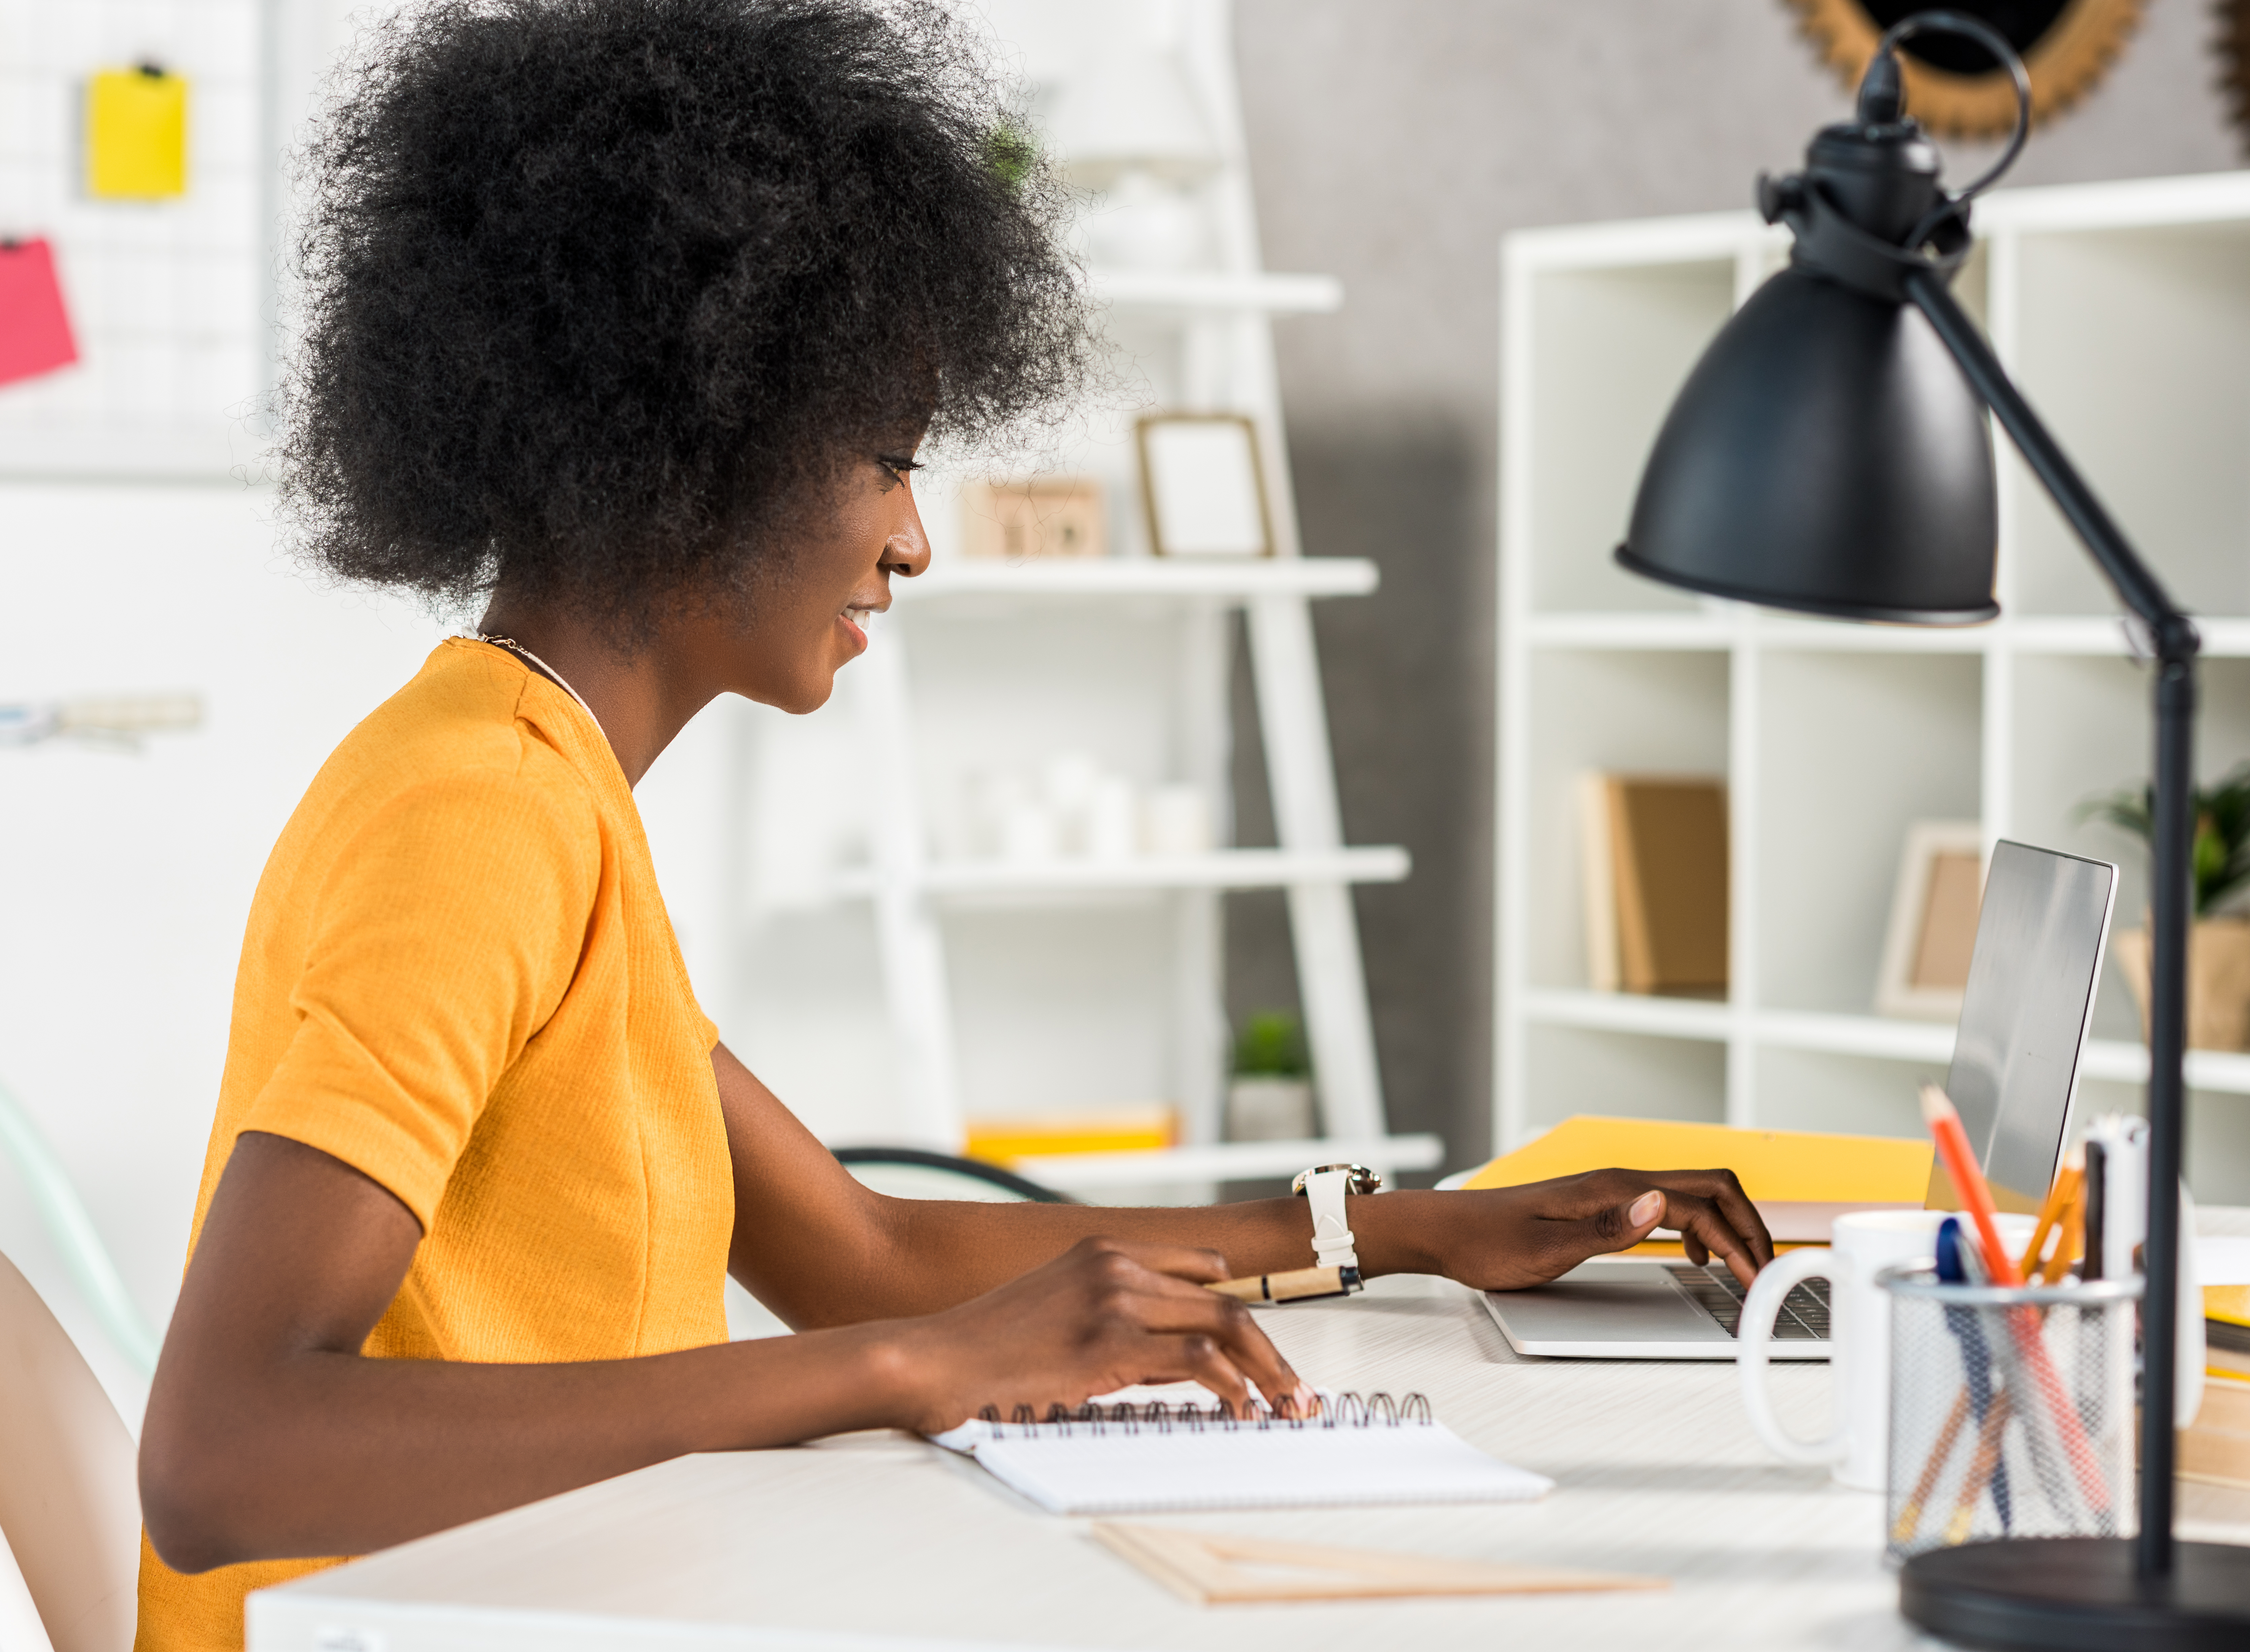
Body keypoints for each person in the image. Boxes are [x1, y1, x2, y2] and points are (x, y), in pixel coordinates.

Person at [133, 2, 1773, 1645]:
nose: (914, 544)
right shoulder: (475, 815)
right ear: (702, 433)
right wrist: (910, 1373)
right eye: (887, 461)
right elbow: (222, 1455)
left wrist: (1393, 1230)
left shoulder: (543, 792)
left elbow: (859, 1245)